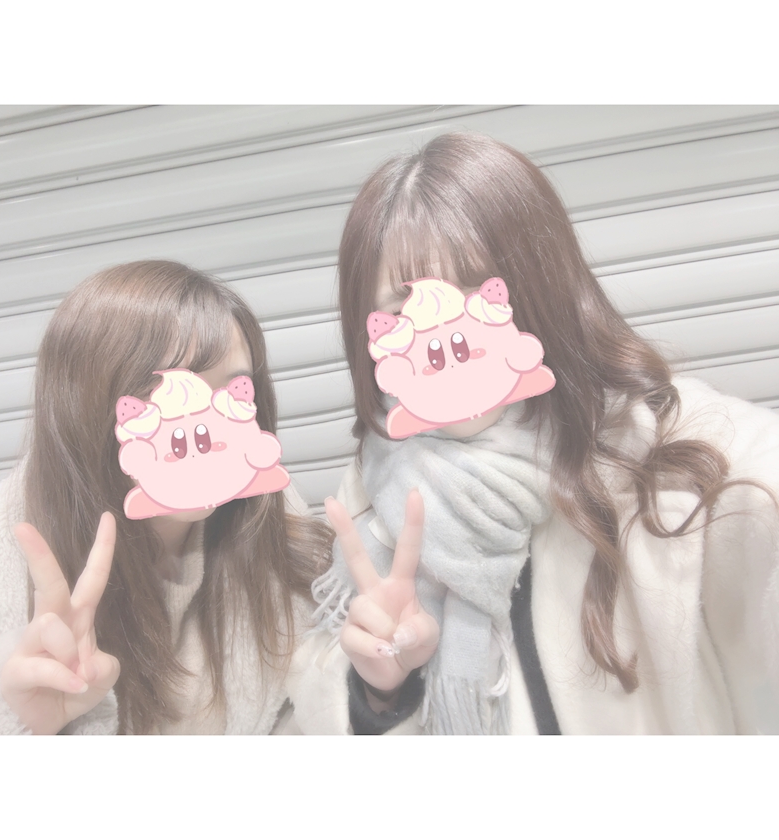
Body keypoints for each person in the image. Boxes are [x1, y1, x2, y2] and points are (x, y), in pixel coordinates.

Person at [308, 132, 779, 735]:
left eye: (475, 293)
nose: (443, 338)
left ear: (541, 287)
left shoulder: (660, 451)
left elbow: (754, 474)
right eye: (405, 311)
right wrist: (383, 695)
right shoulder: (372, 491)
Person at [0, 260, 334, 735]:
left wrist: (378, 694)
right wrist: (11, 720)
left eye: (231, 393)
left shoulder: (274, 529)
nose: (209, 430)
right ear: (87, 409)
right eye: (172, 401)